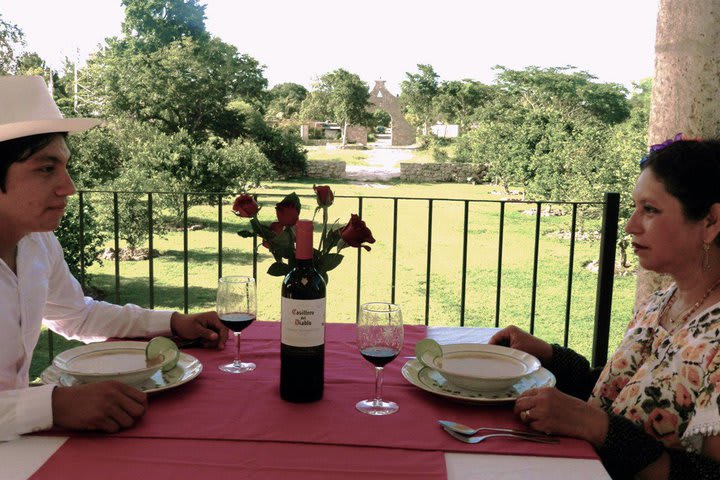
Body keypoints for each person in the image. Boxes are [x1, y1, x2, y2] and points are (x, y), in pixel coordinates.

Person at [0, 75, 228, 441]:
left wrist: (172, 322)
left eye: (65, 167)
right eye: (46, 168)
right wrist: (53, 406)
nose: (69, 186)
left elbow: (79, 315)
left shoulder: (38, 244)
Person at [490, 136, 720, 479]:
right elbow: (615, 395)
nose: (630, 225)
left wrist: (598, 428)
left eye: (650, 209)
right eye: (635, 207)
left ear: (711, 222)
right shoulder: (660, 304)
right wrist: (547, 356)